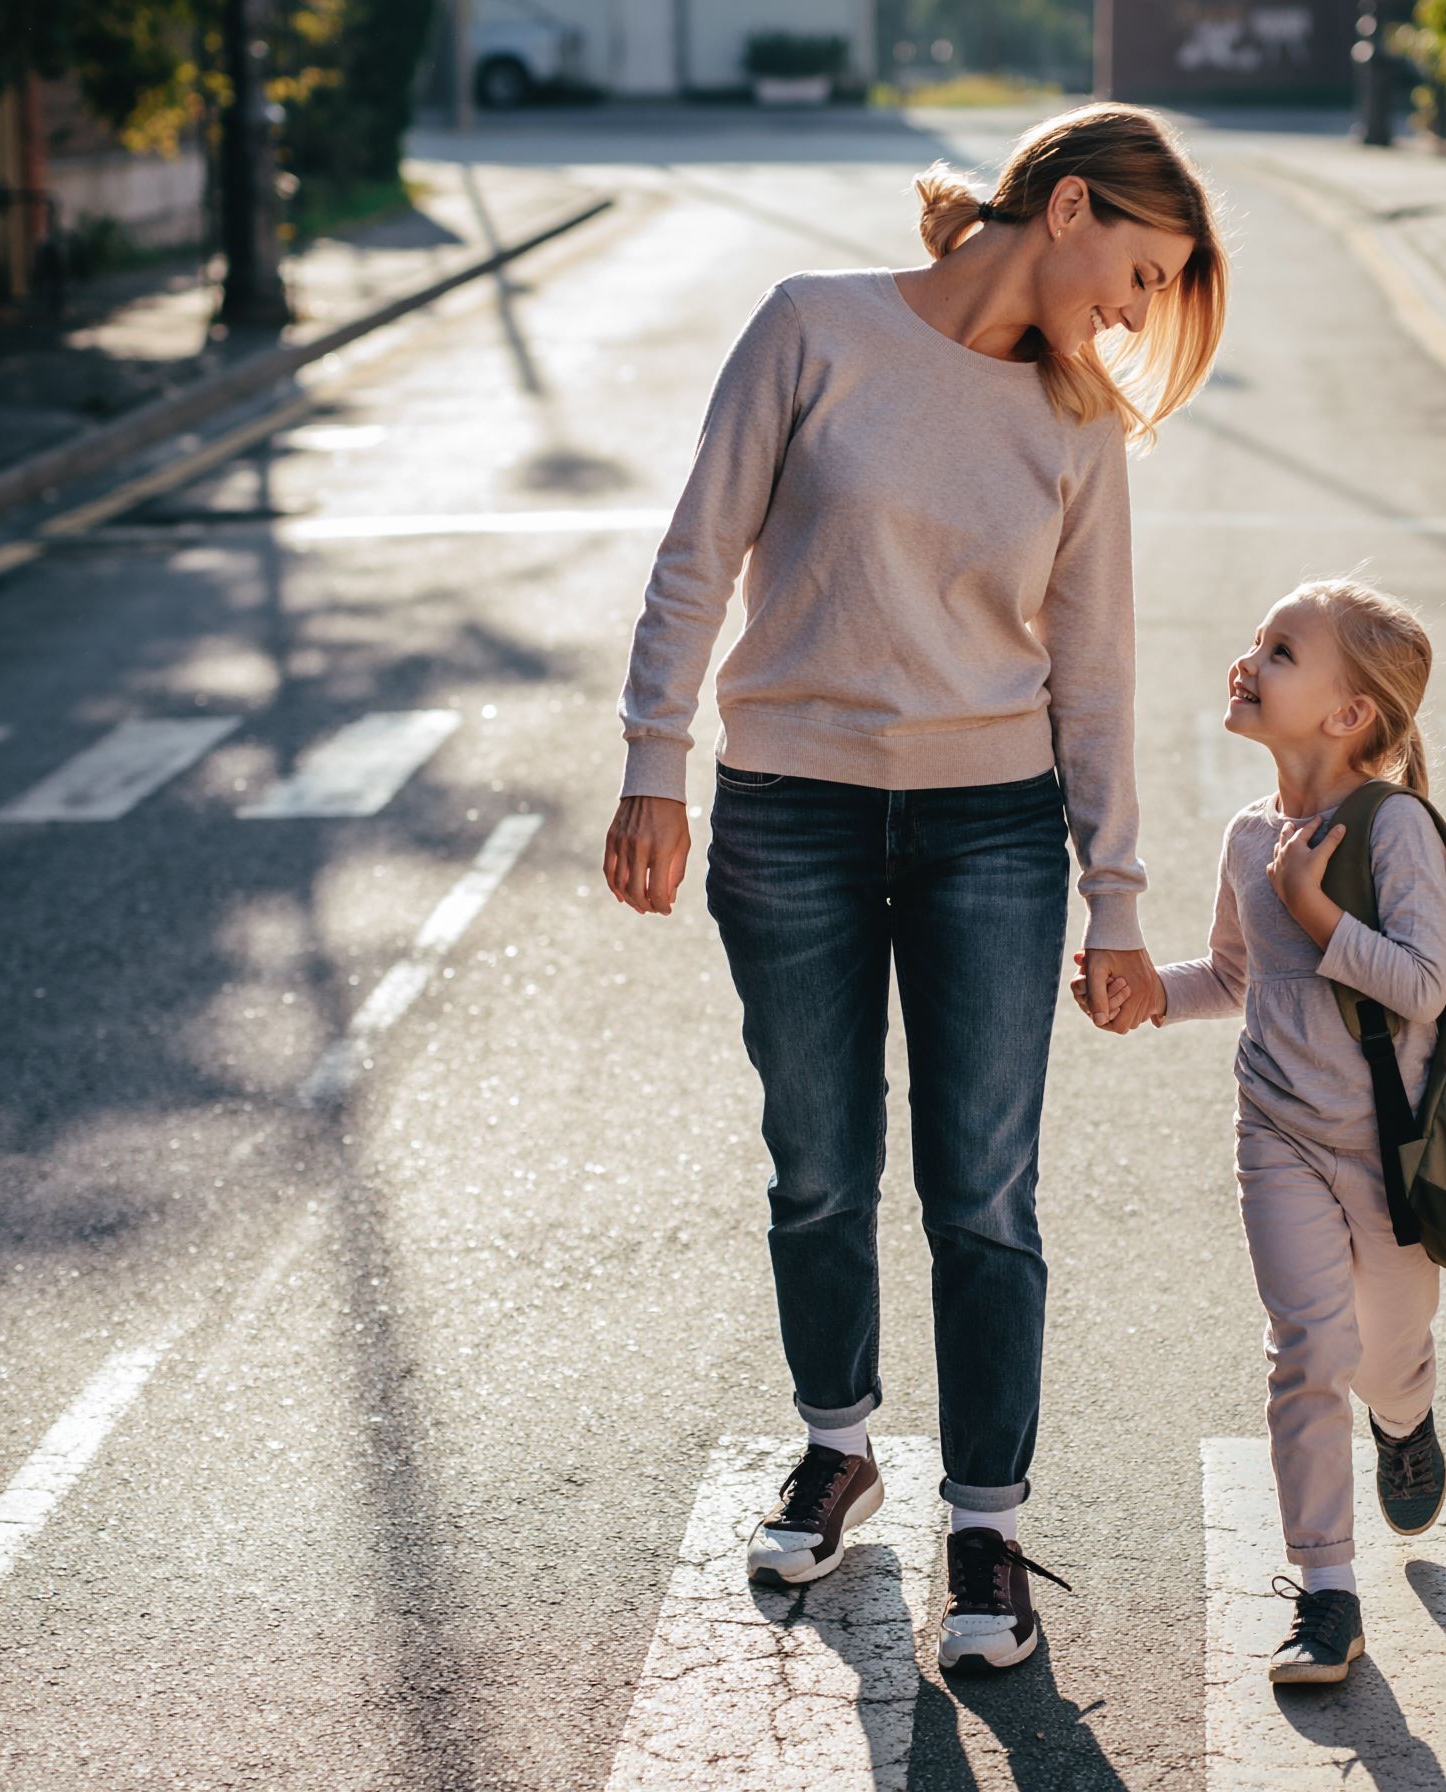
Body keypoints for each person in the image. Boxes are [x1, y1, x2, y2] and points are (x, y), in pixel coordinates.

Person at [604, 104, 1227, 1671]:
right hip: (791, 814)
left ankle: (990, 1533)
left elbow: (1094, 672)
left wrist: (1121, 901)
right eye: (1141, 274)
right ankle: (839, 1443)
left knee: (982, 1195)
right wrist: (650, 763)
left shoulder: (1075, 421)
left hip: (990, 837)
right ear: (1067, 207)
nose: (1136, 316)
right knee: (816, 1163)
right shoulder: (814, 328)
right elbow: (698, 554)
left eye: (1159, 296)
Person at [1082, 578, 1446, 1685]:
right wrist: (1153, 994)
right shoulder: (1252, 839)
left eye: (1281, 650)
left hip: (1392, 1155)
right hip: (1277, 1135)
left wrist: (1319, 912)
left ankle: (1408, 1415)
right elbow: (1238, 978)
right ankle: (1327, 1593)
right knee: (1307, 1351)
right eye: (1256, 641)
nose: (1250, 659)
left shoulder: (1395, 834)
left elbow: (1424, 986)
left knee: (1384, 1354)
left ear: (1349, 718)